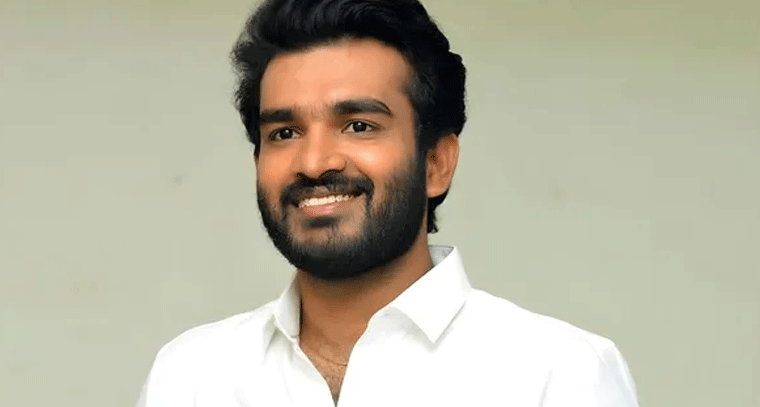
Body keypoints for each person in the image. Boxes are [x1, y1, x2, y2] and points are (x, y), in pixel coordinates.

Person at [137, 0, 639, 405]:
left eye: (359, 125)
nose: (314, 163)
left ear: (436, 163)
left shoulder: (559, 374)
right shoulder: (190, 377)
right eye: (284, 132)